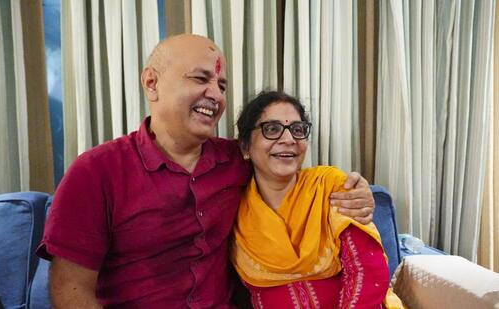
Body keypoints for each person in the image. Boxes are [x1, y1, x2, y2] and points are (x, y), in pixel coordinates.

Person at [37, 34, 376, 308]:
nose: (215, 94)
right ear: (151, 82)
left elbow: (286, 165)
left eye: (222, 85)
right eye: (201, 78)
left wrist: (352, 188)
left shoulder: (235, 160)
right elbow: (71, 290)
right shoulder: (95, 172)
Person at [231, 91, 402, 308]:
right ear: (245, 146)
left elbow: (366, 269)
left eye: (297, 129)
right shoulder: (232, 207)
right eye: (272, 129)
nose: (288, 139)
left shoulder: (330, 186)